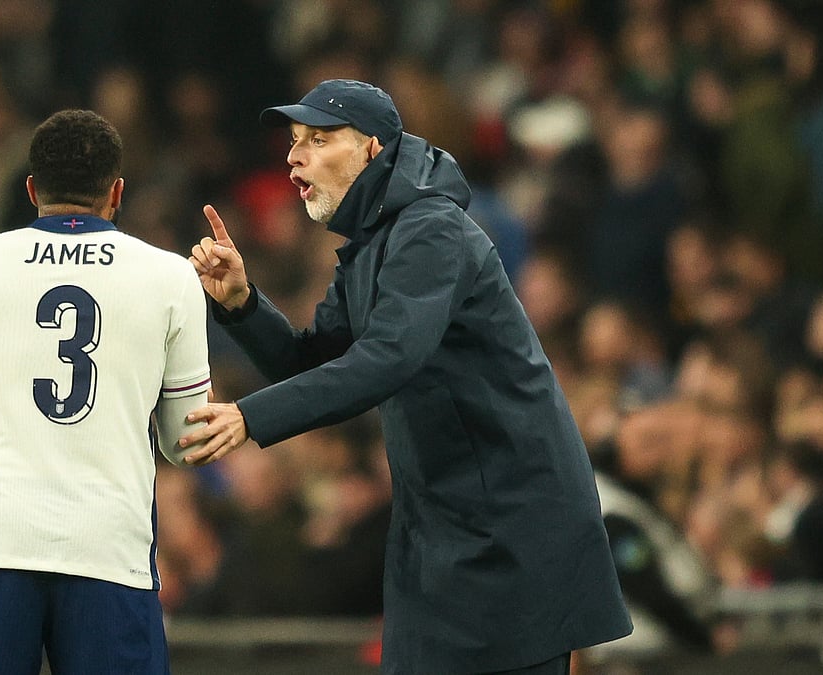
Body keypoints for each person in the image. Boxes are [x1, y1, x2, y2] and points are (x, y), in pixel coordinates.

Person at [182, 79, 633, 674]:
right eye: (295, 141)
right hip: (443, 532)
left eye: (318, 139)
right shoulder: (373, 242)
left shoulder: (430, 229)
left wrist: (250, 417)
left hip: (511, 532)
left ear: (372, 150)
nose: (295, 155)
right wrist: (242, 303)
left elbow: (386, 360)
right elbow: (315, 365)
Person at [0, 109, 211, 675]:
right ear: (117, 192)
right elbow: (183, 444)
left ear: (30, 189)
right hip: (109, 551)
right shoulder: (170, 276)